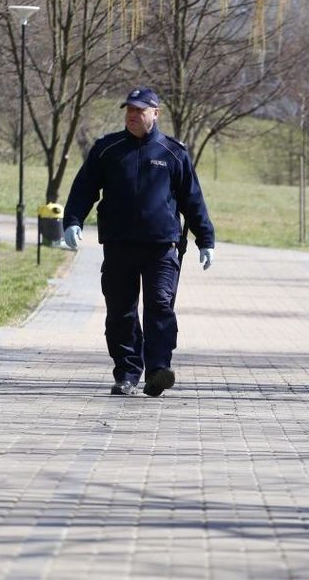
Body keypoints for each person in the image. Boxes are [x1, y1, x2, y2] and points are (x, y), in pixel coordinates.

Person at [62, 86, 216, 397]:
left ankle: (158, 369)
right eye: (129, 110)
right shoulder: (107, 149)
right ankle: (127, 374)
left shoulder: (173, 153)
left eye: (139, 110)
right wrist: (72, 221)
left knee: (159, 305)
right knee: (121, 311)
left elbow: (192, 199)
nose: (132, 115)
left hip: (161, 247)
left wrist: (206, 239)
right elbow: (84, 188)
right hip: (118, 245)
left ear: (155, 113)